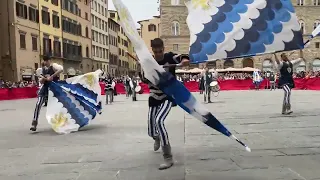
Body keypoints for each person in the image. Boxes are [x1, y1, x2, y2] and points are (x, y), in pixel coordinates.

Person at [141, 38, 189, 170]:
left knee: (159, 121)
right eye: (155, 52)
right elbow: (144, 78)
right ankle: (156, 137)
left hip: (168, 95)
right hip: (154, 96)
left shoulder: (169, 57)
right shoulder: (149, 61)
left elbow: (183, 56)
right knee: (151, 130)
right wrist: (147, 72)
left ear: (163, 48)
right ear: (152, 50)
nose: (158, 54)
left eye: (160, 51)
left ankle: (168, 157)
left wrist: (184, 61)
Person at [30, 56, 63, 131]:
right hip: (45, 88)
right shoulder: (42, 70)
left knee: (58, 106)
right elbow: (41, 81)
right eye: (44, 61)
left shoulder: (54, 66)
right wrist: (43, 79)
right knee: (38, 104)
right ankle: (34, 122)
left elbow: (61, 69)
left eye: (46, 60)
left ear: (49, 61)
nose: (45, 62)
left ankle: (60, 122)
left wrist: (52, 76)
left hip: (54, 89)